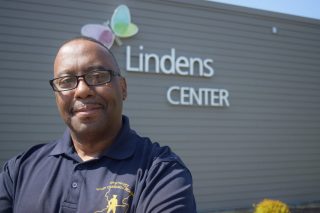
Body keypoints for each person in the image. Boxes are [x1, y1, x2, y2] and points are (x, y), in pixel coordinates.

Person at [0, 36, 197, 213]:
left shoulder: (161, 172)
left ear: (123, 88)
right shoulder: (19, 170)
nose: (82, 91)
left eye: (98, 76)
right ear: (56, 96)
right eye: (66, 81)